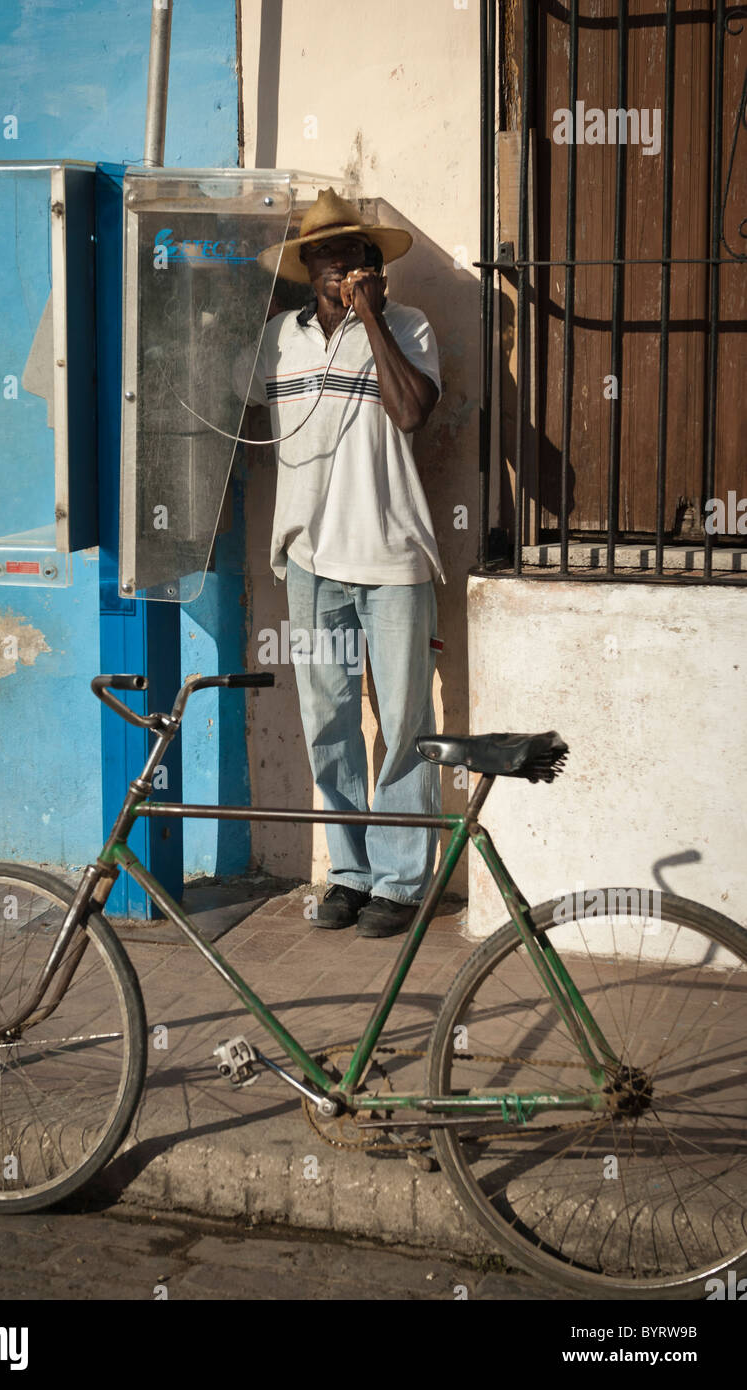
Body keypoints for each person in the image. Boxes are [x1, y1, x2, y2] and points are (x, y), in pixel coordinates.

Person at [243, 189, 444, 938]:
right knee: (326, 719)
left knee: (403, 721)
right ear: (308, 268)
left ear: (375, 269)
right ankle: (351, 875)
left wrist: (371, 322)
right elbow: (219, 398)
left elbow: (415, 411)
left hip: (391, 558)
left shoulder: (410, 327)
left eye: (359, 255)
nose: (347, 266)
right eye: (332, 256)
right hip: (310, 562)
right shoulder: (278, 342)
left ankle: (398, 882)